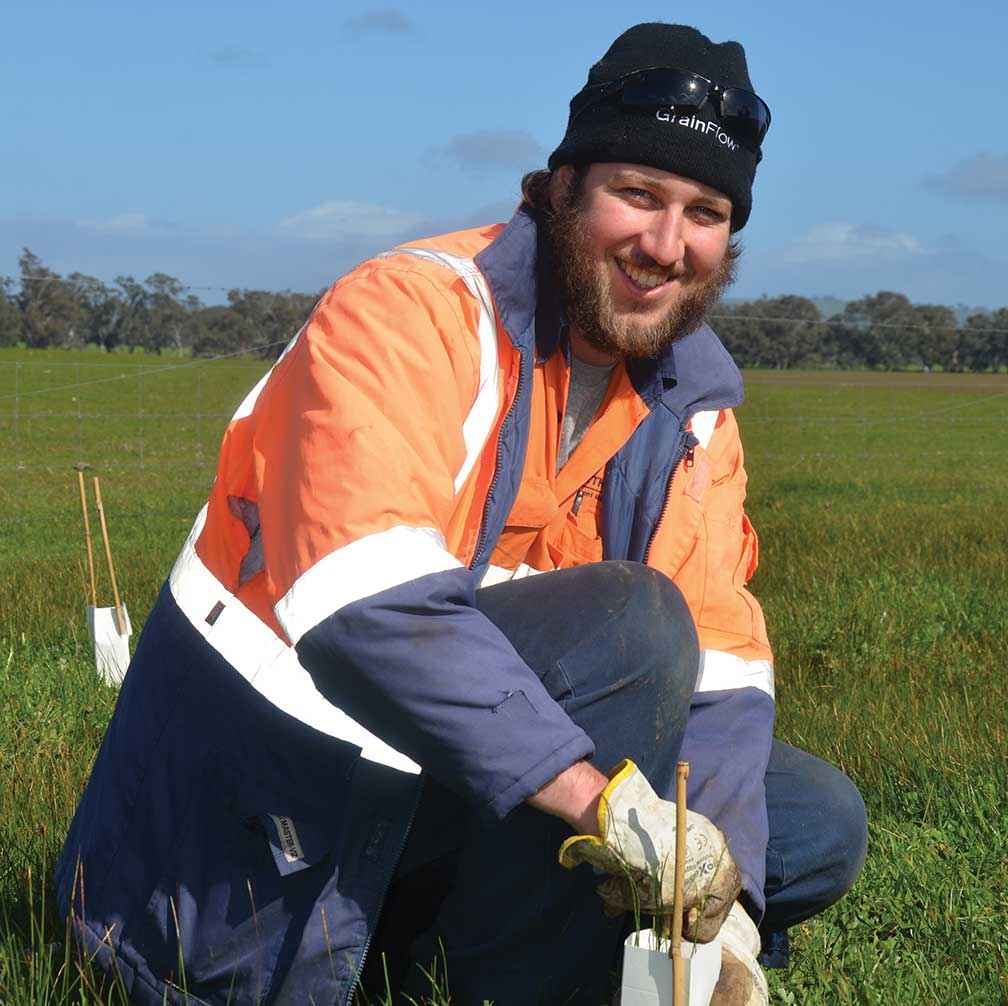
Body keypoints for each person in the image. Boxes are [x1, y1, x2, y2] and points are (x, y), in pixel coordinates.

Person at [57, 22, 867, 1006]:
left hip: (446, 774)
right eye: (640, 195)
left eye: (704, 212)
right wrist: (608, 807)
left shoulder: (690, 403)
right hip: (257, 802)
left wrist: (719, 907)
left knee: (810, 820)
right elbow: (367, 612)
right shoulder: (410, 311)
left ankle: (458, 952)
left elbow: (724, 665)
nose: (665, 245)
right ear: (562, 186)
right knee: (631, 623)